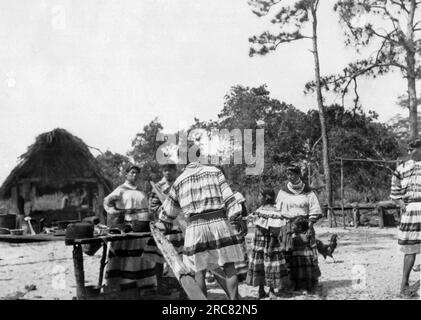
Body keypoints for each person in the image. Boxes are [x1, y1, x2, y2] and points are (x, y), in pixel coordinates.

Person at [158, 161, 244, 300]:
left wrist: (162, 221)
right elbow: (229, 198)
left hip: (195, 227)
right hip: (219, 223)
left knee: (199, 271)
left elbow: (168, 213)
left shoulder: (179, 181)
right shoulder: (215, 171)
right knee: (229, 266)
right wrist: (236, 217)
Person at [103, 165, 158, 292]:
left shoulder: (140, 190)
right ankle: (126, 286)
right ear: (126, 174)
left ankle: (144, 286)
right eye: (132, 173)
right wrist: (116, 213)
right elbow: (106, 202)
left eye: (137, 173)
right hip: (127, 227)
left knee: (141, 256)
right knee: (127, 257)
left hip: (142, 226)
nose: (135, 175)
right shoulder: (120, 190)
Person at [276, 165, 322, 294]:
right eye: (288, 174)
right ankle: (290, 284)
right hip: (288, 226)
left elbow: (314, 209)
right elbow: (278, 210)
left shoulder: (308, 192)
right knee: (288, 255)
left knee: (304, 256)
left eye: (292, 174)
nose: (290, 177)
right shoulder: (283, 192)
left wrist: (310, 225)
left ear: (298, 175)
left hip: (304, 226)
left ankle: (306, 284)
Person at [390, 139, 421, 297]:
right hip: (411, 212)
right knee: (411, 249)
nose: (411, 152)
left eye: (414, 149)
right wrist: (401, 202)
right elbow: (394, 191)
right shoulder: (401, 168)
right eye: (409, 149)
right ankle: (404, 287)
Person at [247, 187, 288, 299]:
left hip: (269, 243)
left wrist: (270, 246)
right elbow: (250, 219)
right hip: (258, 243)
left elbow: (275, 231)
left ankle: (271, 290)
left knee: (270, 266)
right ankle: (261, 289)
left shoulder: (274, 212)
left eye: (261, 196)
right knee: (260, 265)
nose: (259, 198)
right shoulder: (259, 210)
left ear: (267, 197)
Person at [149, 163, 184, 295]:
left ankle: (180, 285)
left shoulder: (180, 185)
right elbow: (152, 207)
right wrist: (165, 211)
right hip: (163, 225)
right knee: (160, 257)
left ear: (175, 171)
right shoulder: (157, 187)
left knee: (180, 256)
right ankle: (159, 286)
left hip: (180, 225)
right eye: (165, 170)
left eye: (170, 170)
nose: (167, 173)